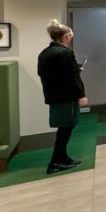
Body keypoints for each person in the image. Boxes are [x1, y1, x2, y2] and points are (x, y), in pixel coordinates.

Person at [37, 19, 88, 175]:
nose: (71, 39)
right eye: (70, 36)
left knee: (63, 128)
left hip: (54, 96)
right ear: (66, 36)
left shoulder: (45, 53)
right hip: (67, 97)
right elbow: (71, 78)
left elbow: (45, 73)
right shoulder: (65, 52)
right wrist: (81, 95)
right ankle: (55, 162)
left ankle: (63, 158)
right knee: (66, 129)